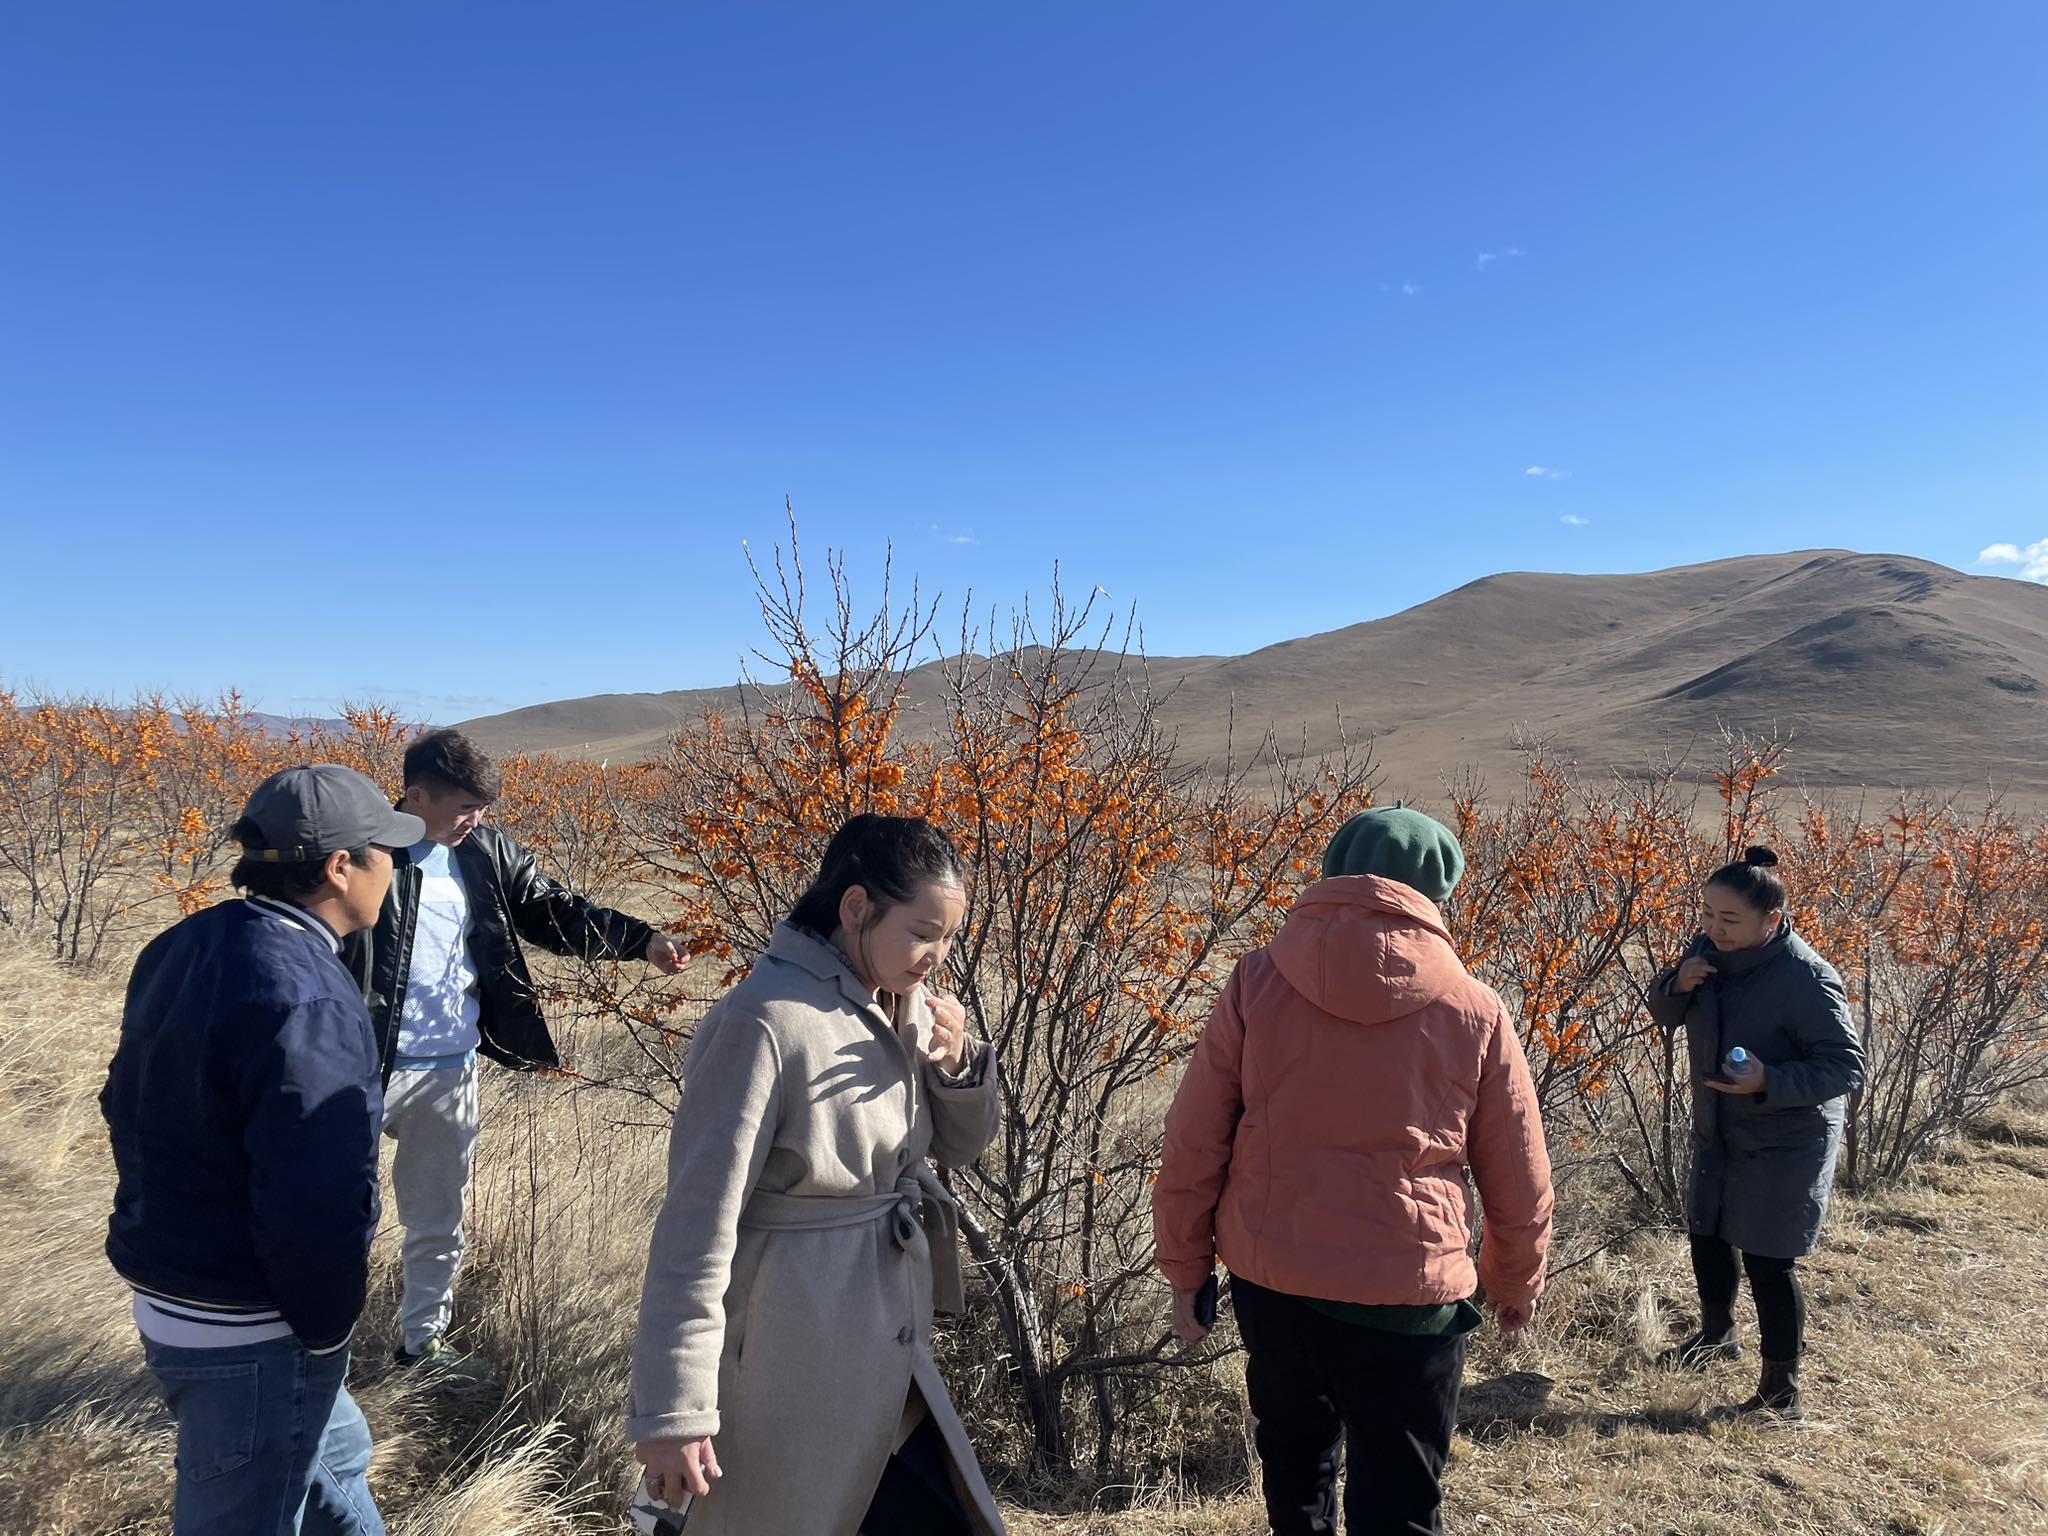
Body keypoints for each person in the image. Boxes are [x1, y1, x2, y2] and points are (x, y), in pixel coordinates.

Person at [1154, 805, 1554, 1536]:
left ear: (1334, 871)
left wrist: (1187, 1270)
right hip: (1411, 1296)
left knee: (1296, 1474)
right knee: (1401, 1500)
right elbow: (1518, 1171)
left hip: (1275, 1286)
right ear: (1438, 892)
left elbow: (1194, 1141)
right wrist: (1513, 1281)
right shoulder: (1476, 1009)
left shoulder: (1255, 982)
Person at [627, 814, 1005, 1535]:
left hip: (889, 1347)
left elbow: (960, 1150)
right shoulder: (762, 1021)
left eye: (950, 938)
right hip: (788, 1355)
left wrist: (957, 1067)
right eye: (924, 932)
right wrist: (674, 1410)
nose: (937, 956)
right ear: (856, 907)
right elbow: (695, 1228)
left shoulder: (903, 1000)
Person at [101, 764, 425, 1534]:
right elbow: (315, 1196)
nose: (396, 867)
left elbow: (123, 1104)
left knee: (335, 1459)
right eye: (387, 850)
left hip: (175, 1293)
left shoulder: (187, 942)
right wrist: (327, 1328)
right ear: (340, 867)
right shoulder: (308, 994)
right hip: (251, 1328)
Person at [344, 727, 685, 1377]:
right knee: (334, 1217)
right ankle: (319, 1349)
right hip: (356, 1069)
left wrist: (639, 940)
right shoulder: (362, 851)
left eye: (482, 810)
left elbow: (552, 910)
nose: (475, 821)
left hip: (448, 1069)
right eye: (464, 808)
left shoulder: (485, 852)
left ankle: (422, 1347)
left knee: (438, 1221)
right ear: (417, 795)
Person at [1648, 845, 1865, 1419]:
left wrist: (1769, 1079)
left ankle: (1781, 1391)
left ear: (1772, 920)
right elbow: (1665, 1014)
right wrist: (1677, 984)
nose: (1713, 928)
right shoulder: (1707, 952)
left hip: (1787, 1137)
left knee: (1769, 1257)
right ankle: (1716, 1335)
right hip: (1720, 1123)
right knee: (1709, 1231)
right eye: (1706, 914)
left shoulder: (1806, 978)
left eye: (1729, 919)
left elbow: (1846, 1066)